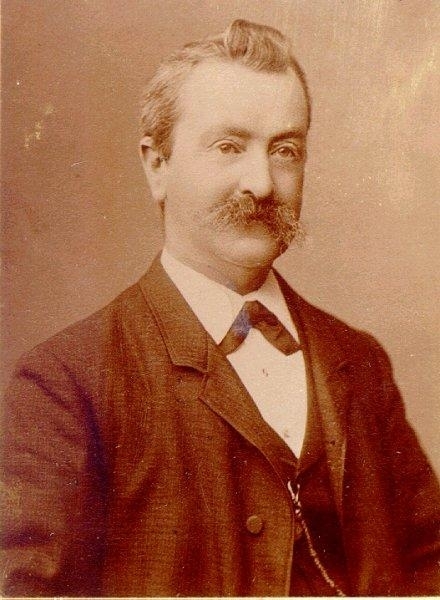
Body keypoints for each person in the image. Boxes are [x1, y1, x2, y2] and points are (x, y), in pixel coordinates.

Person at [1, 19, 439, 597]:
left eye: (285, 150)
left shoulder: (360, 362)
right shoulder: (66, 383)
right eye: (229, 147)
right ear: (157, 165)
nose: (262, 184)